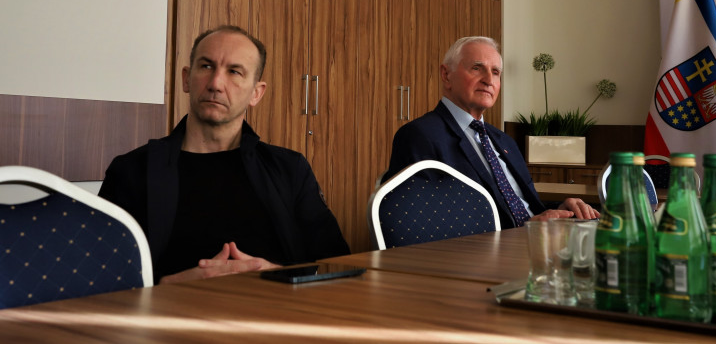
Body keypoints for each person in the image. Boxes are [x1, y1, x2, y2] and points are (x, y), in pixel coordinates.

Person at [99, 25, 349, 284]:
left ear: (256, 93)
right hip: (168, 308)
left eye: (234, 71)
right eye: (206, 66)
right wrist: (165, 287)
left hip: (275, 306)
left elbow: (338, 266)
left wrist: (281, 277)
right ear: (186, 79)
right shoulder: (131, 171)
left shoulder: (290, 170)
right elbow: (99, 279)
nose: (216, 84)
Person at [383, 36, 599, 228]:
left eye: (495, 72)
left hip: (537, 243)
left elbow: (526, 207)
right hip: (487, 253)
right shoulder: (420, 136)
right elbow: (422, 225)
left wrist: (562, 210)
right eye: (477, 68)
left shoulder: (504, 141)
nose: (488, 79)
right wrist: (523, 232)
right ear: (446, 75)